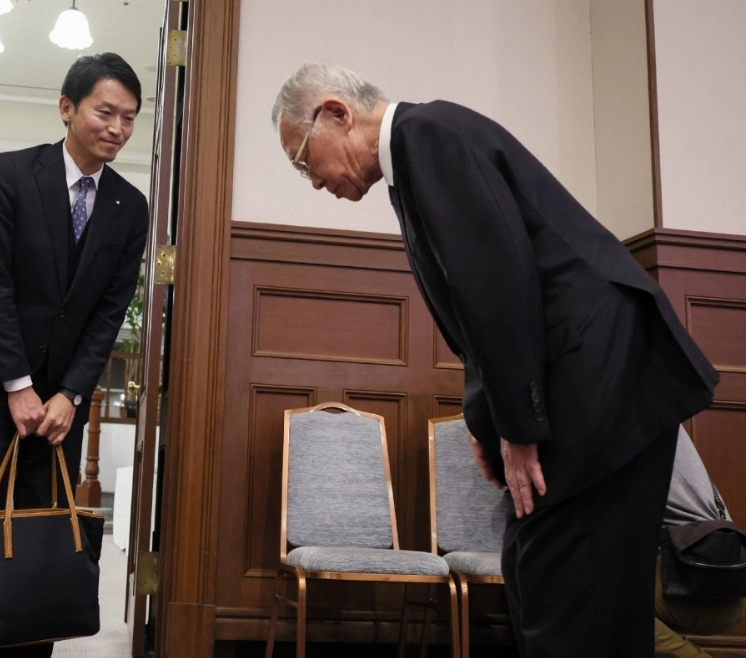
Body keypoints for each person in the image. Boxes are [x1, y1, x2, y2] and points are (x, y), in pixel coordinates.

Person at [272, 63, 718, 656]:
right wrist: (489, 424)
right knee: (577, 591)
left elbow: (499, 288)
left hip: (599, 382)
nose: (312, 181)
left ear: (336, 113)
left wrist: (517, 427)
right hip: (600, 381)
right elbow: (480, 310)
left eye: (303, 160)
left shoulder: (427, 136)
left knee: (563, 591)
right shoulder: (421, 150)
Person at [0, 52, 148, 658]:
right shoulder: (10, 174)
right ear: (66, 108)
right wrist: (18, 384)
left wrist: (71, 393)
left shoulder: (130, 206)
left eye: (130, 118)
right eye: (106, 112)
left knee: (46, 529)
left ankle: (34, 649)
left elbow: (109, 313)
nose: (118, 128)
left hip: (60, 402)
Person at [657, 428, 746, 658]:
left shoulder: (630, 426)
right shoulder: (660, 418)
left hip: (694, 584)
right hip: (730, 589)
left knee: (599, 598)